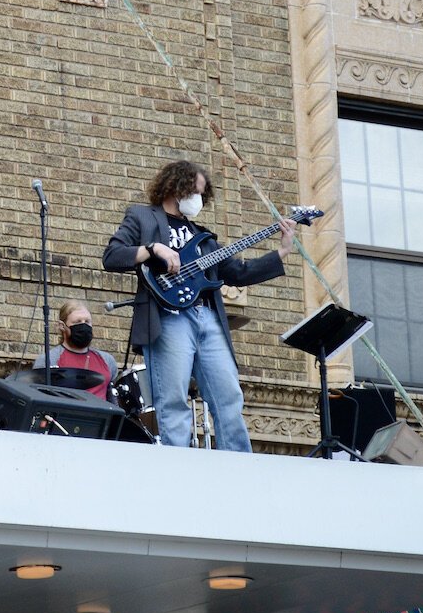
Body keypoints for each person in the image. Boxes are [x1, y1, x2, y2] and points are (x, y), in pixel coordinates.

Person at [101, 160, 294, 452]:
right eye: (196, 192)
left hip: (208, 317)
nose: (199, 200)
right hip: (169, 317)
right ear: (175, 186)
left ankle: (241, 466)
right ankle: (179, 470)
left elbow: (238, 272)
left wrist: (282, 251)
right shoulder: (142, 216)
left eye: (203, 195)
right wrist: (153, 249)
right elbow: (113, 256)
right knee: (173, 399)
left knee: (229, 396)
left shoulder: (203, 236)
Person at [30, 299, 119, 401]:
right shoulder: (49, 360)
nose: (83, 326)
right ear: (62, 326)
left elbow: (114, 399)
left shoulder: (107, 360)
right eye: (77, 322)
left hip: (101, 416)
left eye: (87, 321)